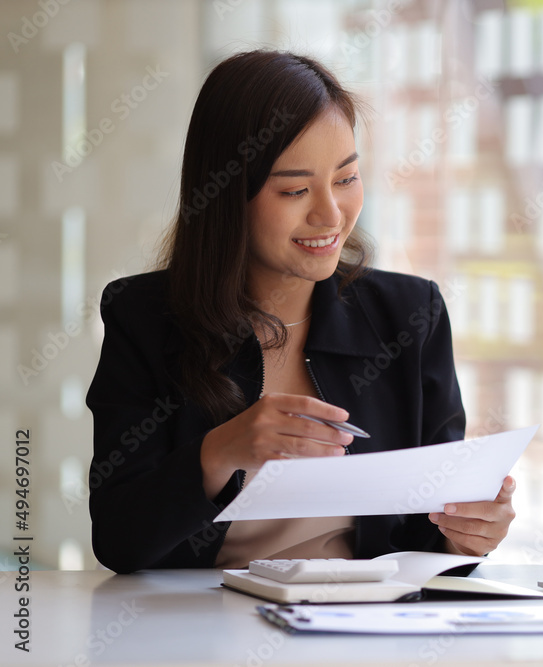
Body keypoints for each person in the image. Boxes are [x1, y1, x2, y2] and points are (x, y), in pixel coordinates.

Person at [86, 50, 515, 574]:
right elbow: (119, 540)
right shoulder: (145, 320)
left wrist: (465, 537)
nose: (330, 214)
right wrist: (218, 453)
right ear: (226, 195)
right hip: (198, 631)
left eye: (346, 178)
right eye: (294, 189)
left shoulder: (409, 315)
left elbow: (426, 535)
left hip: (362, 630)